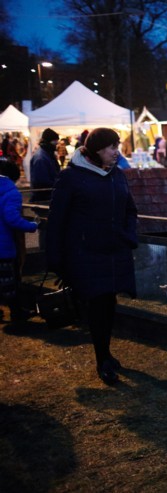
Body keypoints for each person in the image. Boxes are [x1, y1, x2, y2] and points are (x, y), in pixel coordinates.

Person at [46, 128, 138, 385]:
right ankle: (102, 360)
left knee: (109, 305)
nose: (116, 151)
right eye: (111, 147)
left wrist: (128, 235)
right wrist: (56, 258)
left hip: (114, 252)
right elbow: (56, 221)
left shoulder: (116, 175)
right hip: (86, 254)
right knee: (97, 306)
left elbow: (130, 209)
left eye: (117, 146)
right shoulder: (72, 178)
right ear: (97, 150)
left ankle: (106, 352)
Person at [0, 158, 39, 323]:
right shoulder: (11, 192)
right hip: (4, 246)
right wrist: (32, 225)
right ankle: (17, 312)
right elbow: (12, 219)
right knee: (10, 281)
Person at [30, 128, 61, 204]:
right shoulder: (41, 158)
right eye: (55, 142)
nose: (56, 144)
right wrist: (59, 184)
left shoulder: (47, 153)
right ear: (48, 141)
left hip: (48, 194)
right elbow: (41, 181)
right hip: (44, 197)